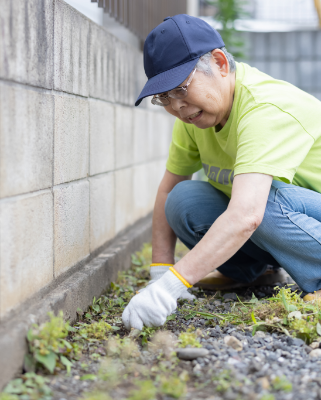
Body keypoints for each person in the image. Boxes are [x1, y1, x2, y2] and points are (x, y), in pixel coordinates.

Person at [122, 14, 321, 331]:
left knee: (260, 205)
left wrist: (170, 289)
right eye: (164, 98)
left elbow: (247, 215)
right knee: (182, 200)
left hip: (304, 214)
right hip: (288, 221)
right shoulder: (193, 119)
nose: (178, 108)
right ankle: (255, 273)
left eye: (181, 89)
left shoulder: (263, 108)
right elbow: (167, 189)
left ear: (220, 63)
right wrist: (160, 271)